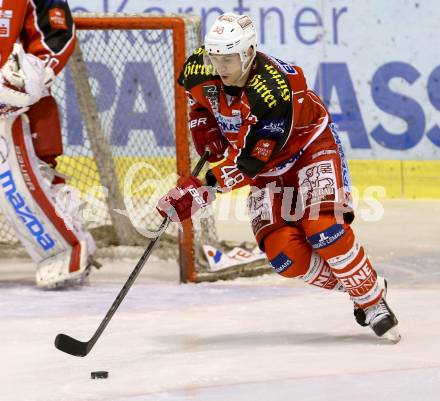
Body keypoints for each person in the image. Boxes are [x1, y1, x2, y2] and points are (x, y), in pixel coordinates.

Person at [157, 13, 400, 341]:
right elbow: (196, 101)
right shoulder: (199, 67)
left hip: (307, 151)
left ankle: (373, 303)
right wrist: (204, 128)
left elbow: (252, 162)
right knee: (285, 256)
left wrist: (204, 189)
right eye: (216, 58)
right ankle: (364, 284)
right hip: (265, 168)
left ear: (248, 53)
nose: (221, 67)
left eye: (229, 59)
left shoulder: (273, 90)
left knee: (323, 229)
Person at [0, 0, 98, 288]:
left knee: (21, 183)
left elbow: (57, 33)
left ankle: (65, 250)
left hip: (13, 108)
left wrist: (34, 73)